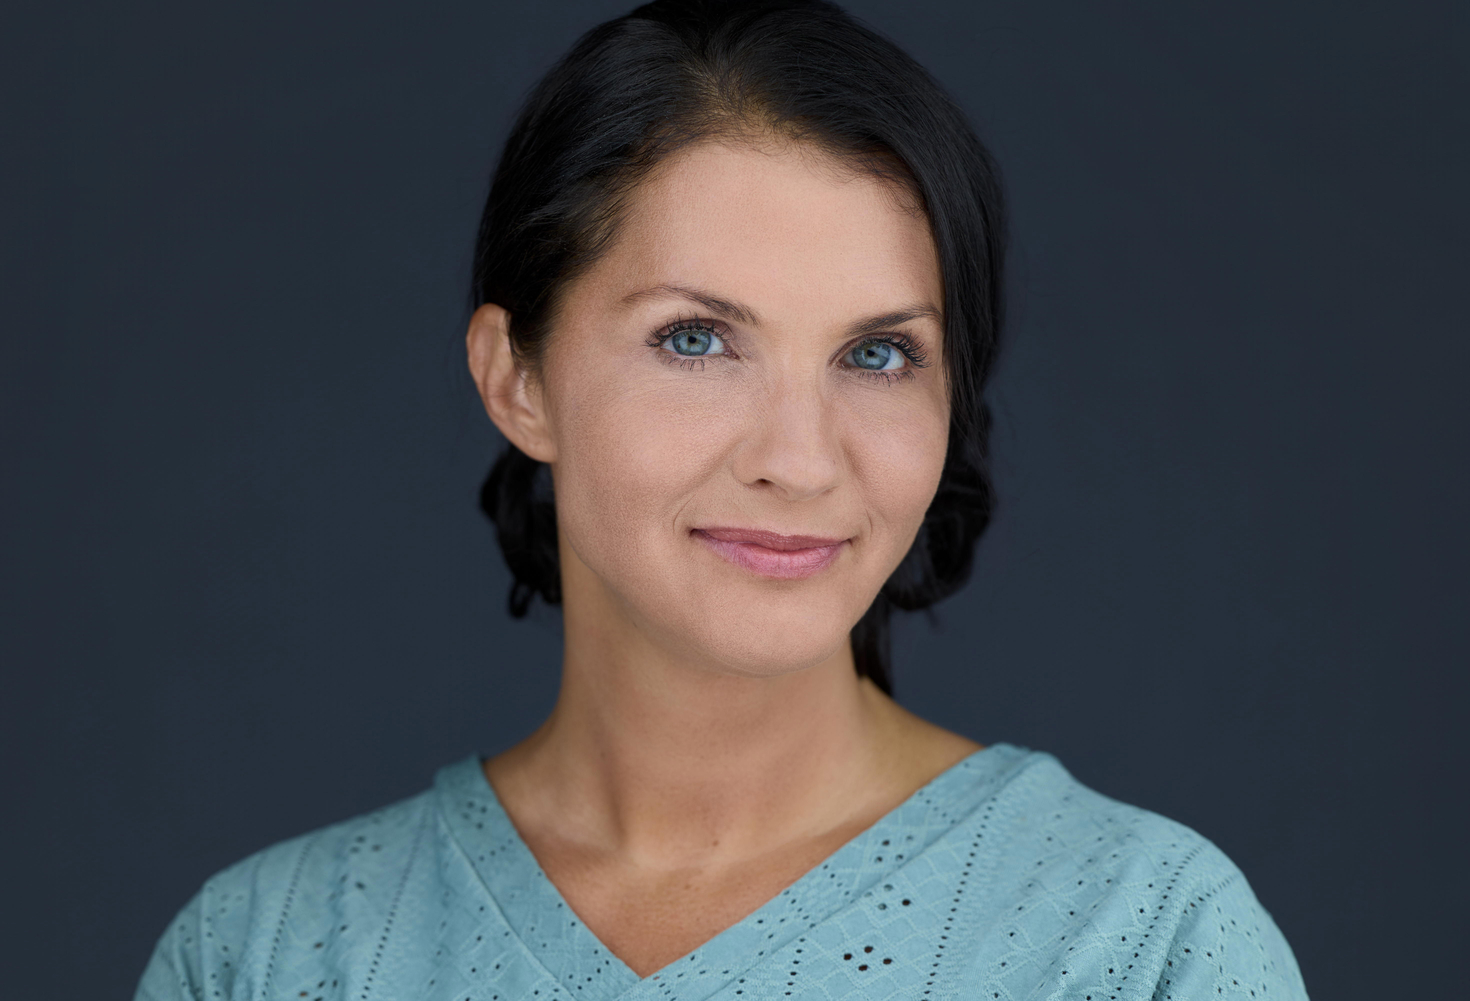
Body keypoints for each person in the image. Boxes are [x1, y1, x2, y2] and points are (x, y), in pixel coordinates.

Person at [135, 1, 1307, 998]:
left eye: (878, 354)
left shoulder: (1141, 942)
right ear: (517, 378)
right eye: (695, 338)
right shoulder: (265, 955)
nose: (799, 460)